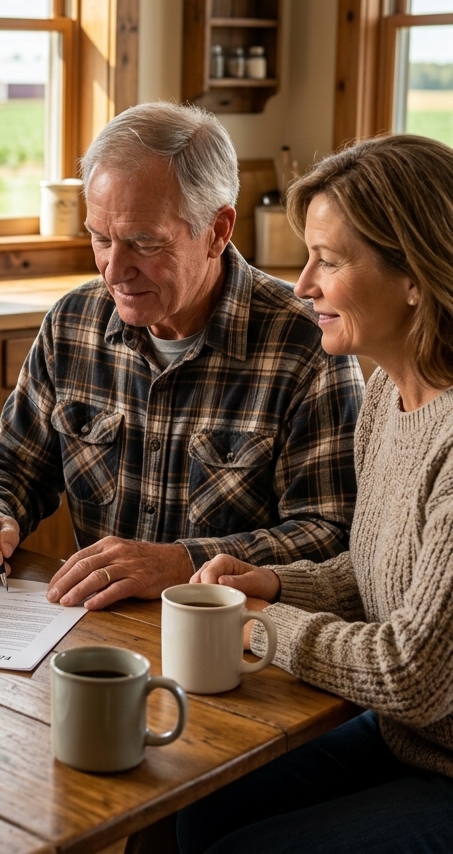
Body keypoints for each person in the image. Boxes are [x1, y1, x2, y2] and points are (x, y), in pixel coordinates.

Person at [0, 102, 363, 608]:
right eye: (100, 238)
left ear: (217, 231)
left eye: (144, 243)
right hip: (92, 632)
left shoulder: (307, 345)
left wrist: (182, 564)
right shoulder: (73, 323)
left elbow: (332, 537)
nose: (114, 270)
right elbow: (10, 463)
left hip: (239, 647)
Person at [179, 134, 453, 854]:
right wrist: (271, 582)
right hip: (410, 742)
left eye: (328, 262)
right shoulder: (388, 397)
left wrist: (264, 624)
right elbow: (376, 576)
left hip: (441, 757)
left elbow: (411, 672)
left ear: (418, 276)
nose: (302, 285)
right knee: (194, 804)